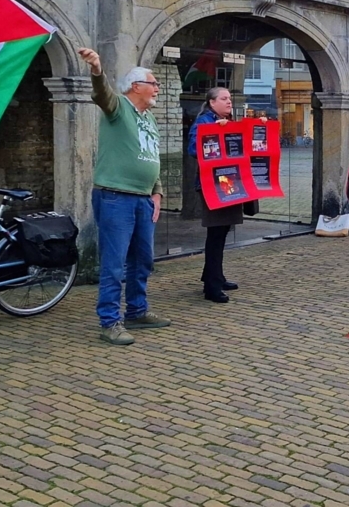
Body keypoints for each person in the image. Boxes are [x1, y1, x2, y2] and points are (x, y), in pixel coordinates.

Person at [79, 47, 171, 346]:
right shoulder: (118, 107)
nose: (157, 87)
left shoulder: (149, 119)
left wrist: (156, 192)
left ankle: (137, 311)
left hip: (143, 199)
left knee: (142, 260)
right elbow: (102, 93)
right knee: (114, 263)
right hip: (116, 197)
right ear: (136, 87)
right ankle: (109, 322)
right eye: (153, 83)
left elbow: (150, 156)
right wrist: (96, 68)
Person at [187, 87, 245, 304]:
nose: (229, 102)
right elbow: (193, 149)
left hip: (229, 183)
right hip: (213, 185)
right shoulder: (204, 122)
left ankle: (214, 276)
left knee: (222, 231)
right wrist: (215, 131)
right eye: (224, 99)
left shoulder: (229, 120)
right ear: (212, 103)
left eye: (230, 98)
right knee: (216, 233)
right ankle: (212, 286)